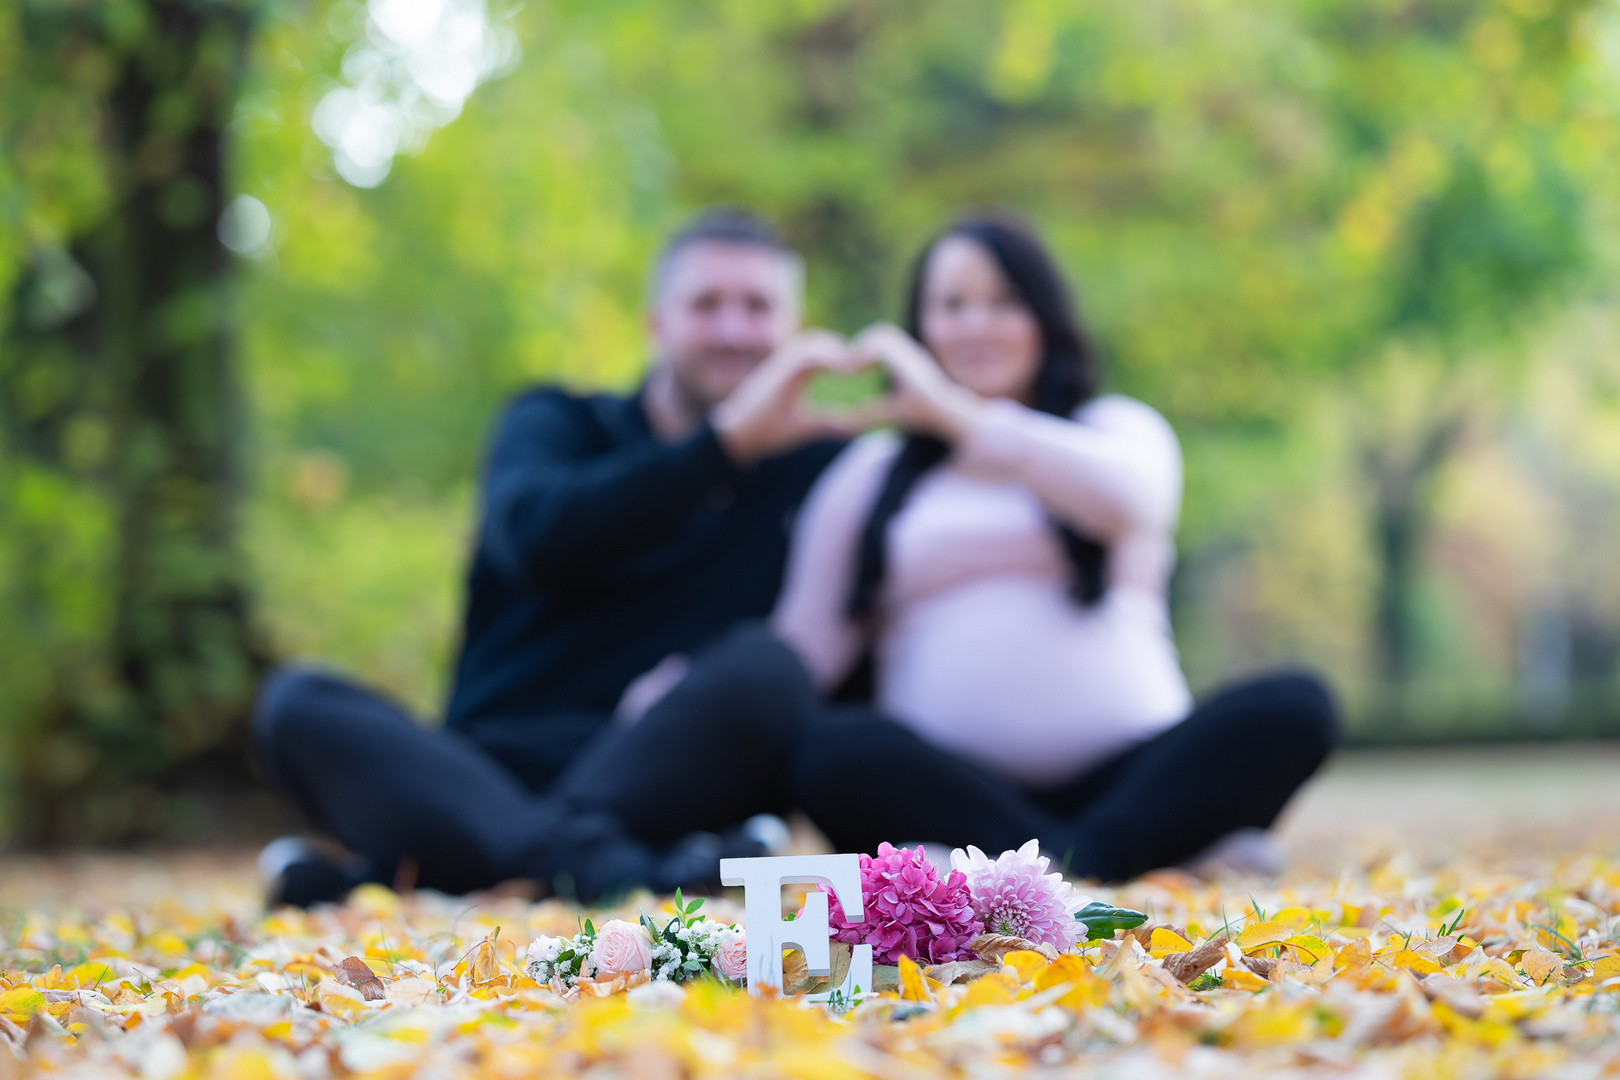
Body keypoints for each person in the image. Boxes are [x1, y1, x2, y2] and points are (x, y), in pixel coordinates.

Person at [252, 209, 865, 906]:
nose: (731, 330)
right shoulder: (556, 421)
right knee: (295, 701)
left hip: (664, 775)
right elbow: (535, 537)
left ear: (793, 328)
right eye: (706, 305)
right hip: (479, 777)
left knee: (772, 667)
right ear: (656, 324)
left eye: (756, 307)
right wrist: (724, 445)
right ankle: (623, 872)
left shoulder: (819, 470)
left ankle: (427, 876)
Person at [722, 211, 1338, 880]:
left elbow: (1130, 502)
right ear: (920, 328)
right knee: (830, 751)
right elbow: (803, 649)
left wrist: (951, 411)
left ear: (1045, 318)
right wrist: (689, 700)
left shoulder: (1116, 430)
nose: (977, 325)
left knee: (1296, 706)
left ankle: (1052, 868)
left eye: (1004, 302)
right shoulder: (868, 473)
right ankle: (1131, 861)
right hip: (951, 791)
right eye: (952, 305)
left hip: (1134, 775)